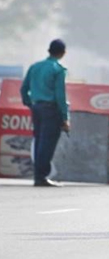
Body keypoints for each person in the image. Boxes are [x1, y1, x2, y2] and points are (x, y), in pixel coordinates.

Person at [20, 39, 71, 187]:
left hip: (37, 108)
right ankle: (41, 176)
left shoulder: (35, 67)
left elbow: (24, 89)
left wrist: (29, 104)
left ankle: (38, 175)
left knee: (39, 140)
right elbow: (60, 96)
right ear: (63, 53)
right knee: (47, 143)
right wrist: (65, 117)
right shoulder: (58, 69)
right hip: (51, 109)